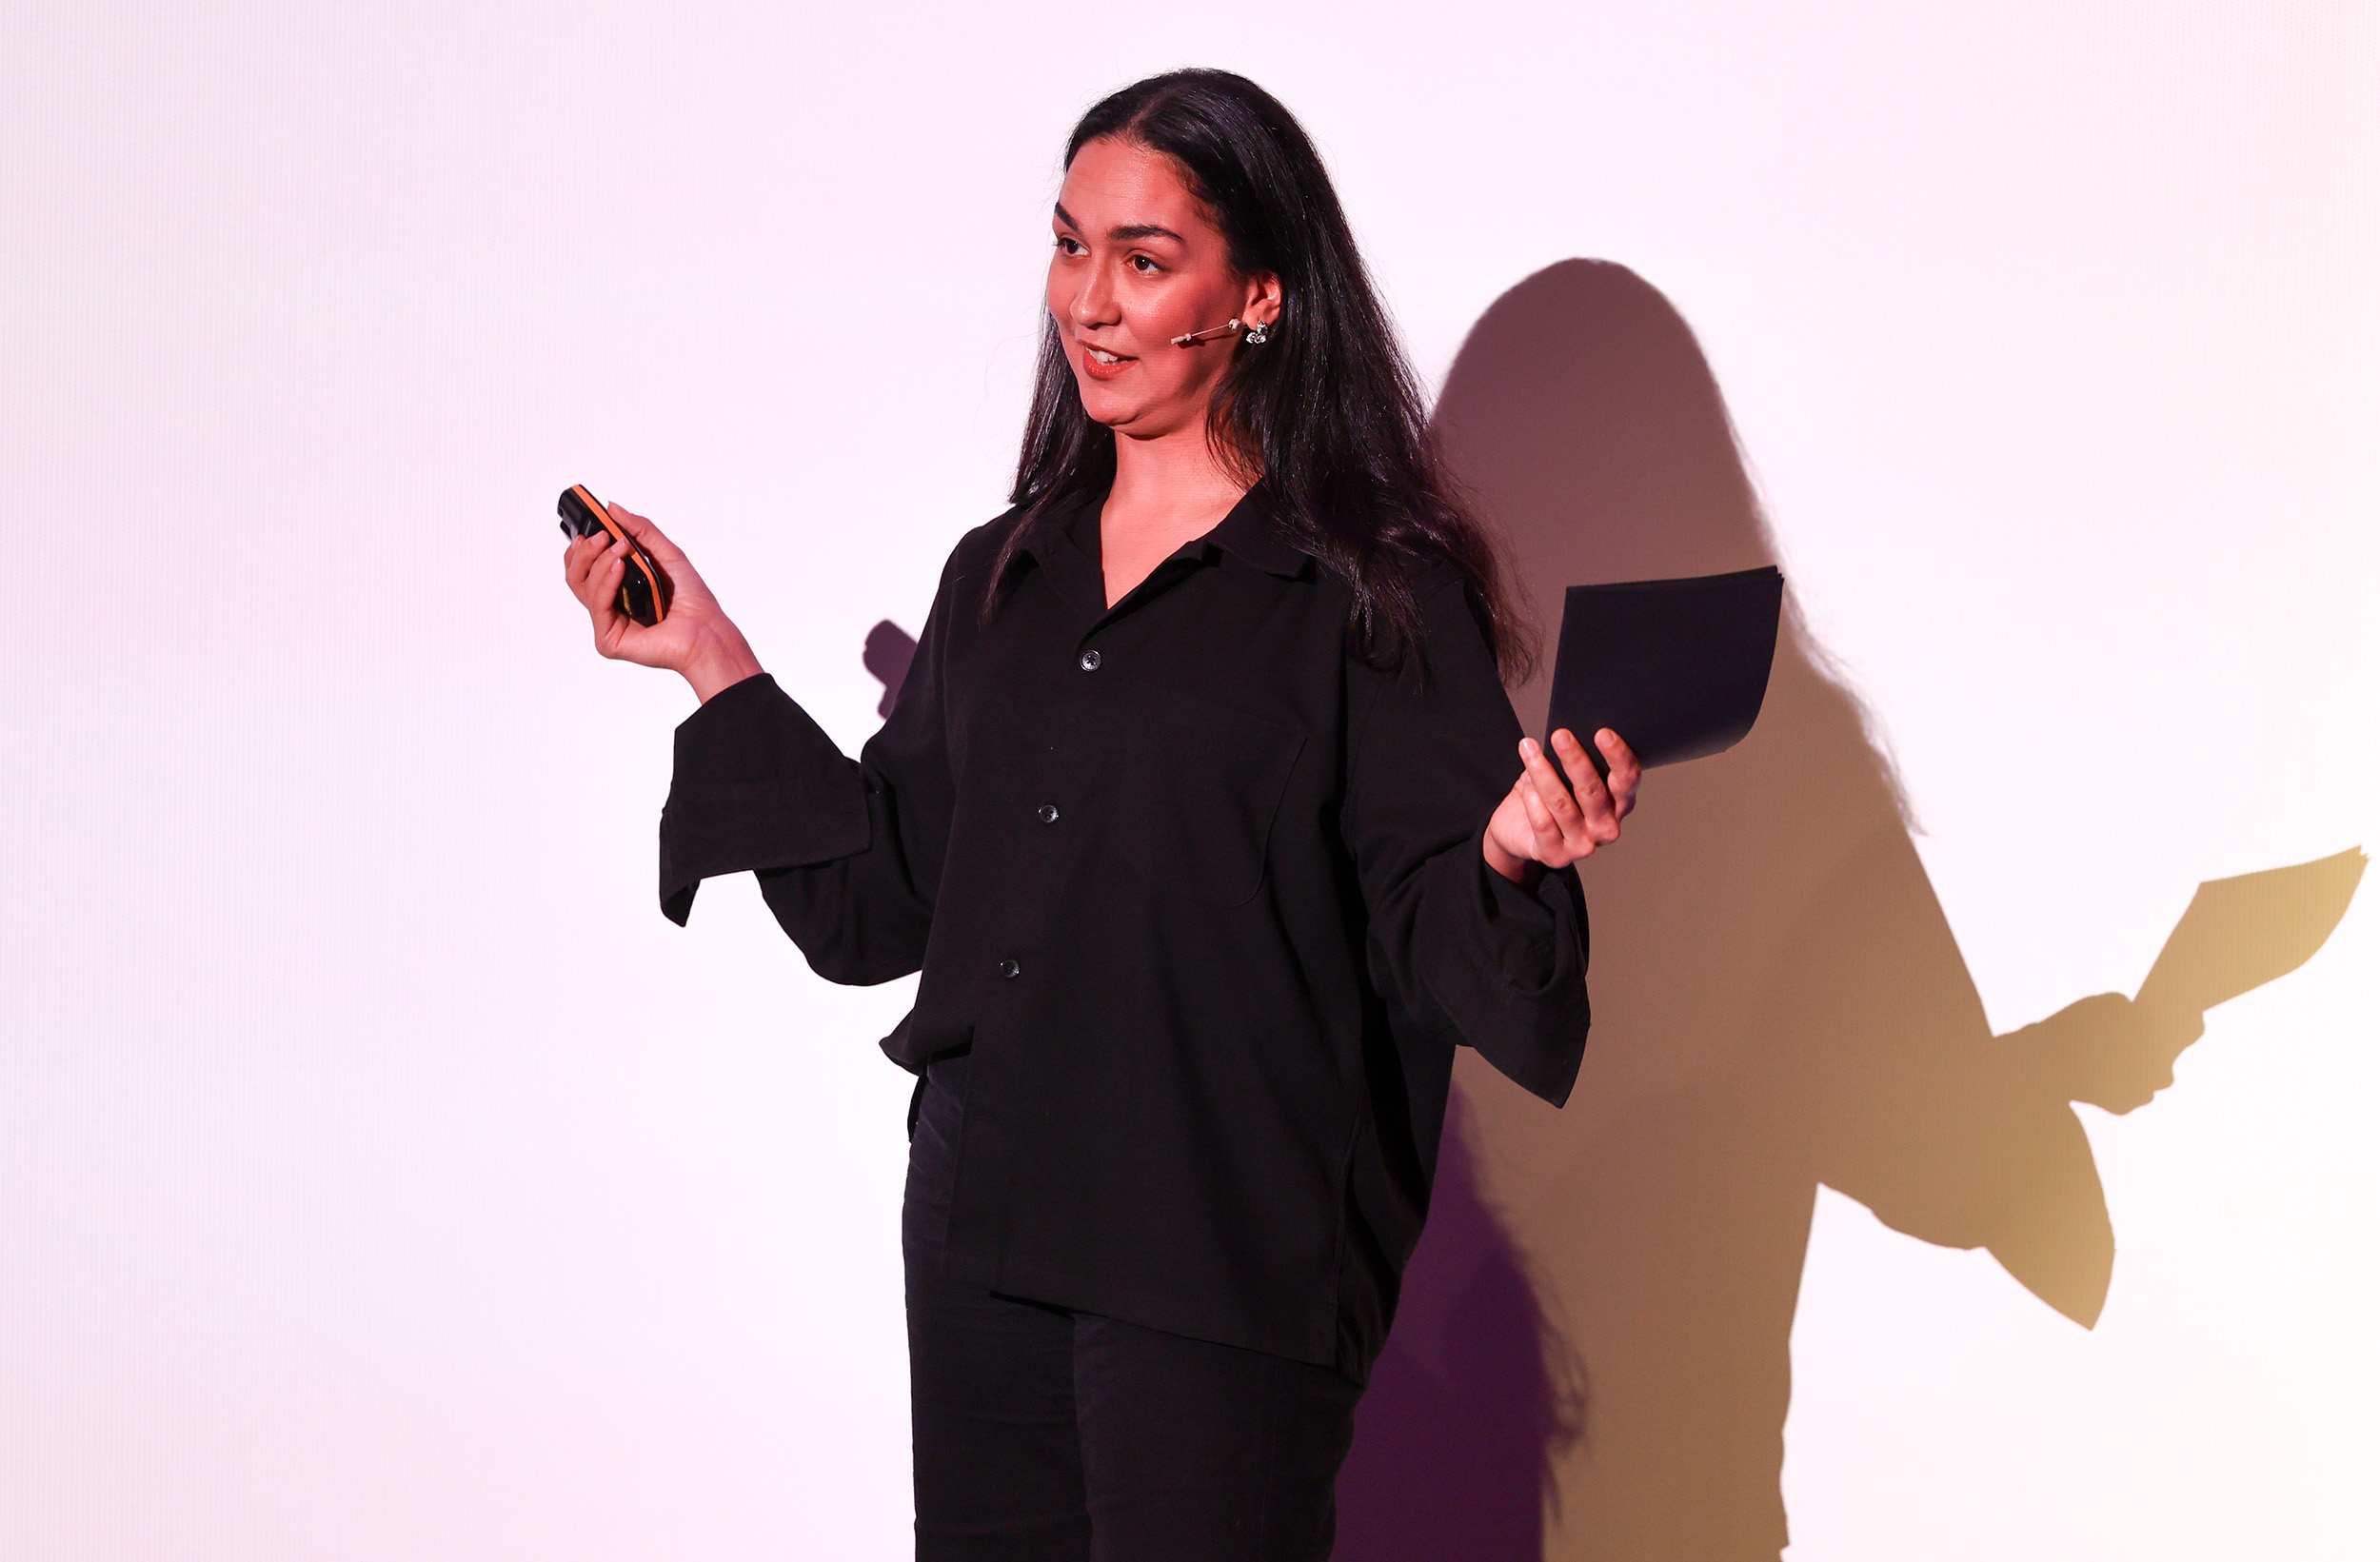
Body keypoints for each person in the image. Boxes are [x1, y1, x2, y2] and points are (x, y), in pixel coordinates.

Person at [560, 69, 1639, 1562]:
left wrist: (1511, 850)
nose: (1089, 301)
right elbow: (887, 894)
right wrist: (710, 658)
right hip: (985, 1232)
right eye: (1071, 246)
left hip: (1220, 1246)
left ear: (1259, 294)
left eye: (1144, 259)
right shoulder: (1007, 574)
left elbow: (1422, 925)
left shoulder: (1369, 597)